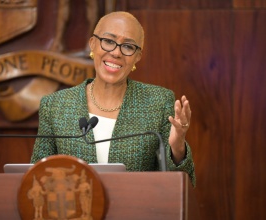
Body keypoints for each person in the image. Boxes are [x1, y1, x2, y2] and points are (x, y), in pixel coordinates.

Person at [31, 11, 196, 186]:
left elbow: (179, 186)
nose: (116, 53)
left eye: (128, 46)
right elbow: (36, 177)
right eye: (109, 41)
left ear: (137, 57)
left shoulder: (158, 102)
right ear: (92, 44)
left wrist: (177, 147)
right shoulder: (55, 105)